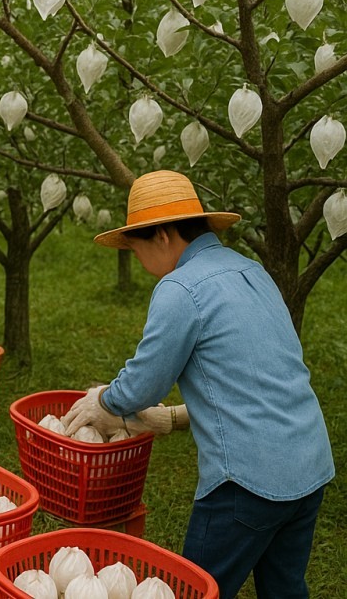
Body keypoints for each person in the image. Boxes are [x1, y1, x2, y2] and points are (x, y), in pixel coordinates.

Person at [62, 170, 334, 597]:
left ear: (165, 236)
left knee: (195, 589)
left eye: (137, 249)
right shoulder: (251, 271)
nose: (140, 262)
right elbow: (261, 375)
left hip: (249, 481)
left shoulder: (181, 287)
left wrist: (104, 401)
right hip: (309, 463)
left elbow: (140, 387)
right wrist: (173, 419)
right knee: (284, 588)